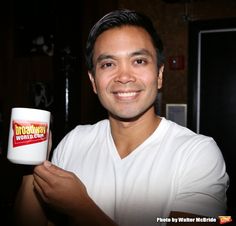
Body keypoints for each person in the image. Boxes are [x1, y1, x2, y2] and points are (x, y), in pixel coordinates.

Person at [14, 9, 229, 226]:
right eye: (108, 64)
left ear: (160, 75)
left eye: (139, 61)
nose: (124, 77)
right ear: (93, 82)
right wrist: (33, 161)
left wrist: (82, 209)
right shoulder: (74, 141)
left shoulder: (197, 154)